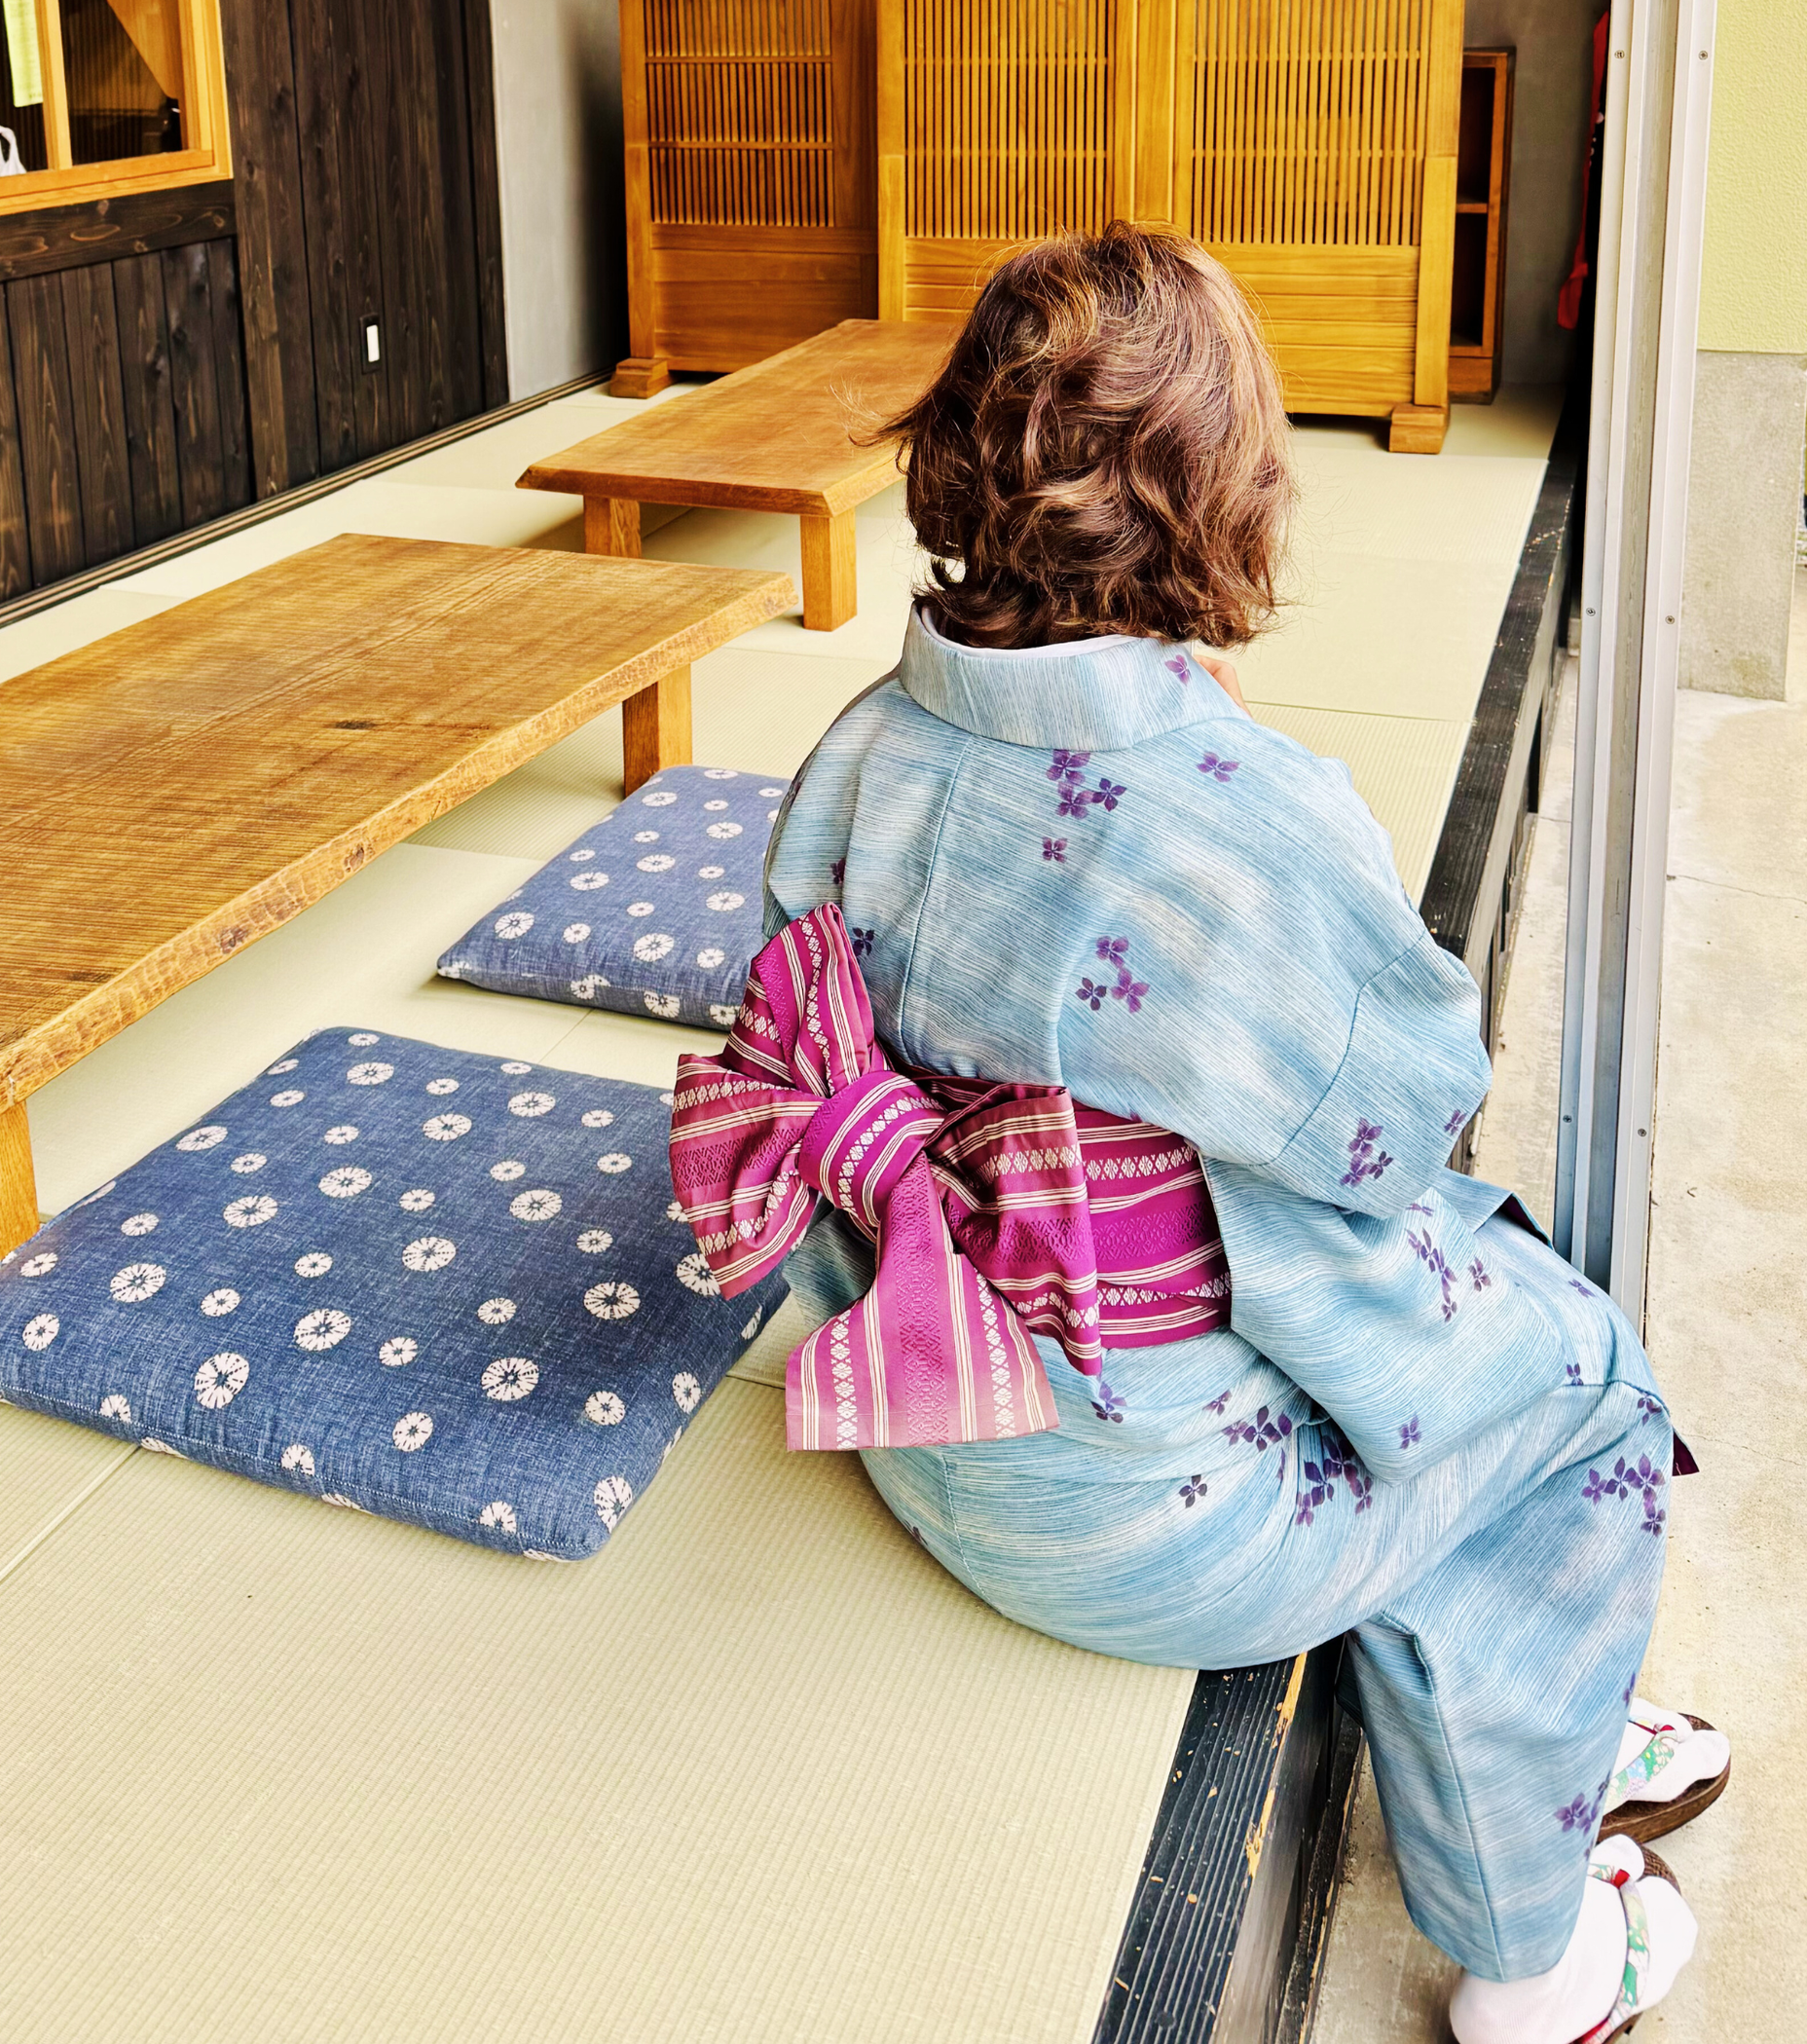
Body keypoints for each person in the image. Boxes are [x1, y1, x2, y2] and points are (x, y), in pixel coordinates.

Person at [668, 226, 1729, 2044]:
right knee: (1563, 1379)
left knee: (1445, 1347)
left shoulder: (863, 745)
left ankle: (1553, 1715)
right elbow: (1401, 1113)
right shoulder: (1238, 809)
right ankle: (1537, 1966)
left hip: (925, 1422)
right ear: (1227, 494)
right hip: (1166, 1524)